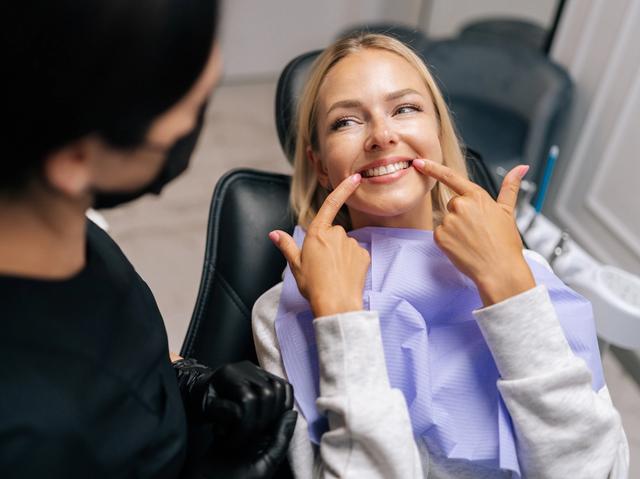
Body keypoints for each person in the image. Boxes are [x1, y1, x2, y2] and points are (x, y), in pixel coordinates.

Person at [252, 33, 629, 478]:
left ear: (437, 132)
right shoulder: (285, 309)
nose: (382, 135)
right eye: (346, 122)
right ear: (319, 164)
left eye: (405, 109)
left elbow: (597, 469)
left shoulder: (527, 272)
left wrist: (510, 288)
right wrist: (341, 321)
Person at [0, 1, 296, 478]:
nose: (192, 122)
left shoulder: (61, 226)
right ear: (75, 158)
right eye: (188, 107)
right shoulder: (28, 436)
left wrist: (186, 381)